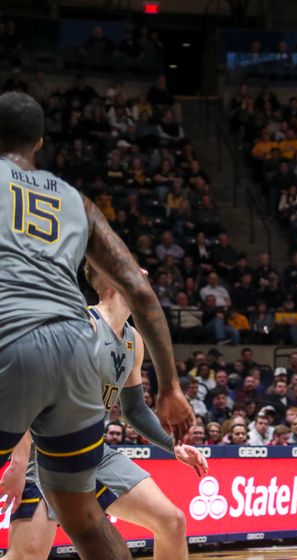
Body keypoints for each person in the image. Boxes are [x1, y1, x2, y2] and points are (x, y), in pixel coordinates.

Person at [0, 92, 193, 559]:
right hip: (76, 349)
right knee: (85, 518)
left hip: (13, 337)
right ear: (40, 142)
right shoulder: (75, 200)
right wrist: (171, 386)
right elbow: (142, 292)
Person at [0, 263, 207, 560]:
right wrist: (18, 464)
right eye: (138, 271)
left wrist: (173, 445)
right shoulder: (80, 323)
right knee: (26, 555)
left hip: (94, 451)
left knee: (171, 521)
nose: (147, 274)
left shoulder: (133, 340)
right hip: (45, 454)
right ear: (113, 281)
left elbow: (134, 409)